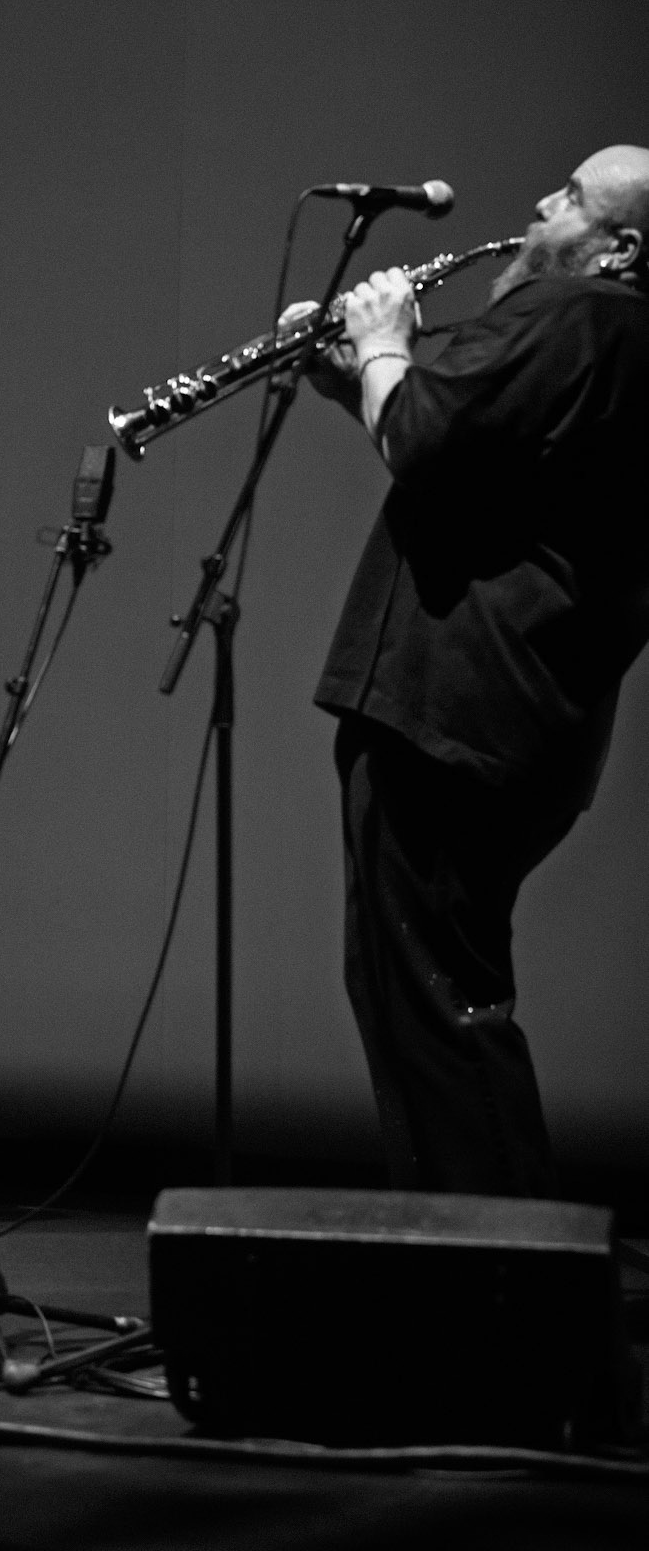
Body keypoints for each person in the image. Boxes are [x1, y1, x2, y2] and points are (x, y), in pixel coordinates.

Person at [298, 144, 649, 1196]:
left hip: (456, 708)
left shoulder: (576, 312)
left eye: (571, 197)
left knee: (431, 1002)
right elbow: (472, 459)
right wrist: (358, 381)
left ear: (619, 248)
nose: (541, 202)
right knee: (429, 990)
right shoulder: (615, 339)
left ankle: (501, 1267)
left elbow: (423, 438)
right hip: (519, 719)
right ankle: (484, 1261)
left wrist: (382, 341)